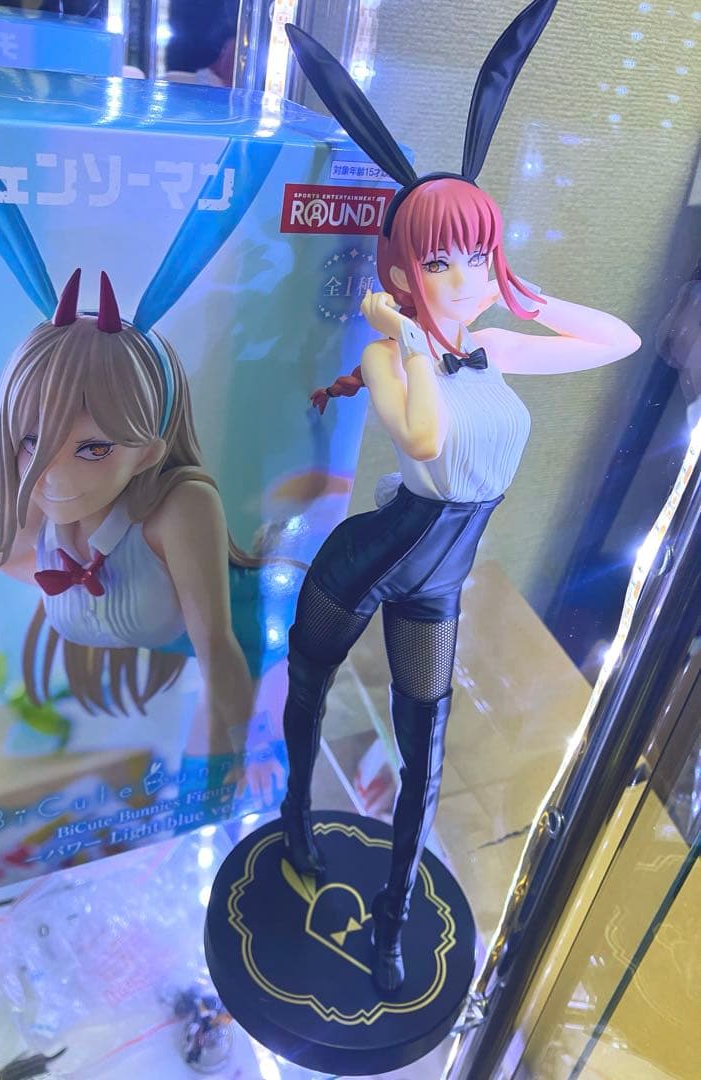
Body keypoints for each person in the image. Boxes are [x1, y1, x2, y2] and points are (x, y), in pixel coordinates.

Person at [280, 7, 641, 993]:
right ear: (404, 270)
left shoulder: (496, 344)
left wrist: (523, 294)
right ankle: (294, 819)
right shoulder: (387, 356)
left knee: (425, 751)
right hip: (368, 557)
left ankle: (392, 925)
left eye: (478, 252)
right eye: (444, 259)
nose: (465, 275)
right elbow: (426, 442)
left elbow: (618, 341)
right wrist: (404, 337)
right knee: (308, 692)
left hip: (439, 581)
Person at [0, 269, 297, 793]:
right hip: (139, 691)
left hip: (252, 649)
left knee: (208, 784)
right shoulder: (23, 508)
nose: (54, 474)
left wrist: (249, 745)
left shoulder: (179, 509)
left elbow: (217, 644)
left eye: (94, 448)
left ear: (147, 452)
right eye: (33, 440)